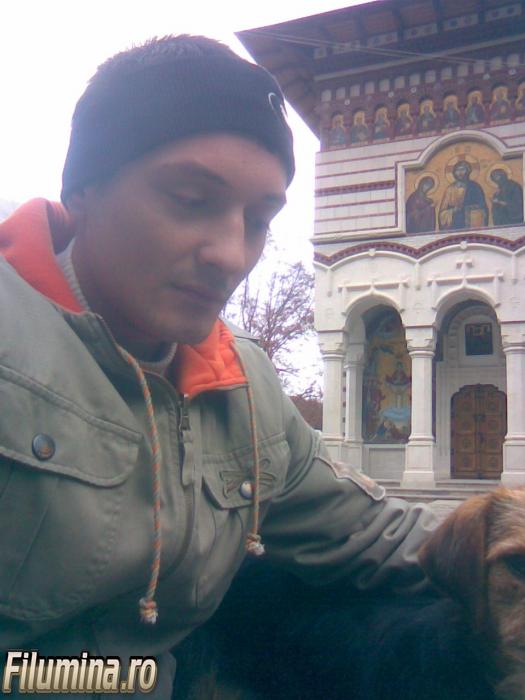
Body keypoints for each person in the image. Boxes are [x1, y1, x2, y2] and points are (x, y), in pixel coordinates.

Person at [0, 35, 438, 698]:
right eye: (190, 199)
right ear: (84, 187)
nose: (232, 255)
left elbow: (374, 534)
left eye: (258, 219)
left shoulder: (245, 388)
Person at [439, 159, 488, 230]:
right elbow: (442, 212)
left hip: (471, 222)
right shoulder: (450, 189)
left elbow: (482, 206)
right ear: (454, 173)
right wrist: (453, 211)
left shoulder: (474, 187)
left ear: (468, 171)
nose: (460, 173)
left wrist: (467, 208)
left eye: (462, 169)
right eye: (457, 170)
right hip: (454, 224)